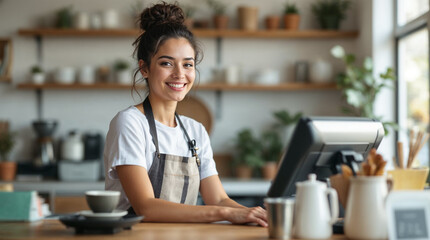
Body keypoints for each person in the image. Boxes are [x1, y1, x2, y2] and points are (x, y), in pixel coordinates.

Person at [104, 2, 267, 227]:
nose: (179, 74)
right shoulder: (130, 123)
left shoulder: (195, 130)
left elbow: (218, 199)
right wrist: (225, 214)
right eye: (166, 63)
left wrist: (256, 214)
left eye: (188, 65)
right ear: (144, 69)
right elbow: (145, 207)